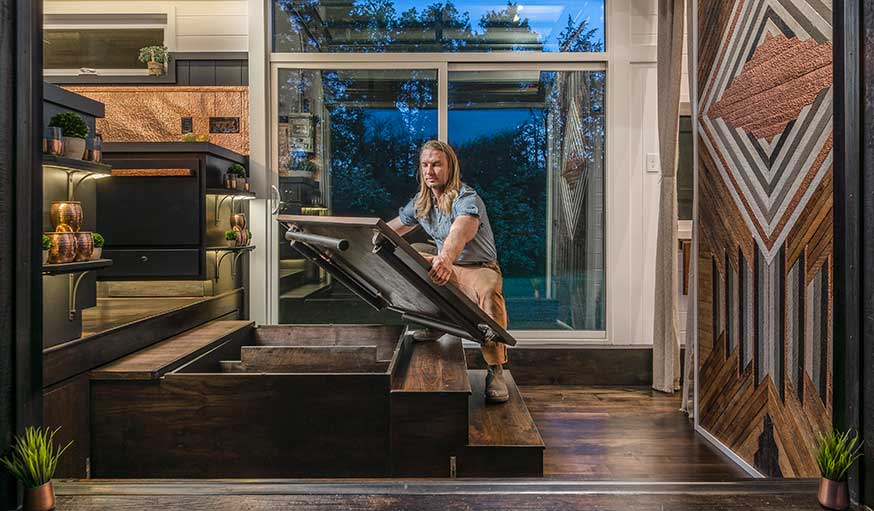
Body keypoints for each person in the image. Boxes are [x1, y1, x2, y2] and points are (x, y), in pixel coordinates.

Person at [387, 140, 510, 404]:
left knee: (489, 292)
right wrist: (359, 239)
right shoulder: (422, 201)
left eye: (436, 164)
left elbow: (460, 231)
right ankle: (438, 323)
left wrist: (444, 259)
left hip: (478, 267)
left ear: (450, 167)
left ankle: (495, 370)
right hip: (447, 265)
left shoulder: (466, 198)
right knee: (400, 253)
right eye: (425, 165)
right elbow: (391, 229)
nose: (429, 170)